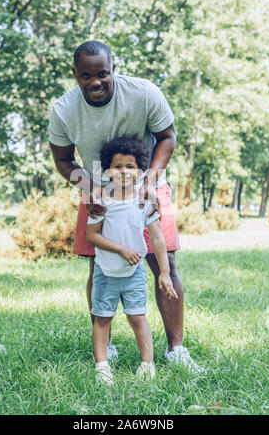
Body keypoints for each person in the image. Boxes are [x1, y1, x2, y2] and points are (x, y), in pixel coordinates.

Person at [49, 40, 206, 373]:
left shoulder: (144, 93)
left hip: (147, 185)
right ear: (75, 74)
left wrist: (149, 181)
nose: (95, 82)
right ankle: (106, 347)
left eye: (103, 73)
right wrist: (87, 186)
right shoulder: (63, 109)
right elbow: (63, 160)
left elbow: (167, 136)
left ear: (113, 69)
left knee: (165, 264)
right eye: (86, 75)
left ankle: (176, 348)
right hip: (95, 189)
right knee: (98, 266)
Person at [86, 135, 178, 384]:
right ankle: (102, 367)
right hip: (106, 272)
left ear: (140, 171)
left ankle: (147, 365)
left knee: (138, 317)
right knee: (102, 318)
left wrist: (164, 273)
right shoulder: (100, 201)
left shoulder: (144, 201)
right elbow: (91, 235)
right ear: (107, 170)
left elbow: (158, 239)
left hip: (134, 272)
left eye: (130, 166)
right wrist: (120, 249)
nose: (124, 171)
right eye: (117, 166)